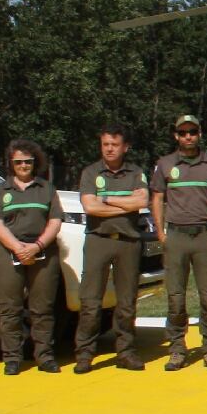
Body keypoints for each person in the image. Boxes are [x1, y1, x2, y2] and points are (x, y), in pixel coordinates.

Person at [149, 114, 207, 371]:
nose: (188, 137)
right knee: (175, 297)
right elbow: (157, 198)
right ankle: (176, 349)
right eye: (183, 133)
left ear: (199, 134)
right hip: (177, 237)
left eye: (192, 132)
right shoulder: (164, 164)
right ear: (176, 135)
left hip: (205, 236)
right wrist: (161, 234)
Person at [75, 125, 149, 372]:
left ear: (125, 147)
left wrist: (105, 198)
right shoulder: (90, 172)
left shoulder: (136, 172)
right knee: (90, 301)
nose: (109, 149)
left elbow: (142, 200)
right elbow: (90, 207)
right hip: (99, 239)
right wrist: (124, 204)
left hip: (128, 241)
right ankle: (84, 354)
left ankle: (125, 352)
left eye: (114, 144)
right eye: (105, 144)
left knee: (127, 302)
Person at [0, 138, 63, 374]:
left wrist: (37, 246)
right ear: (11, 163)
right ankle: (12, 357)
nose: (23, 165)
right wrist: (17, 247)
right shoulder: (2, 190)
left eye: (27, 161)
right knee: (10, 307)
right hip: (8, 251)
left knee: (42, 307)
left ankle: (44, 356)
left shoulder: (47, 189)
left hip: (42, 251)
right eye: (18, 161)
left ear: (35, 162)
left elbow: (55, 221)